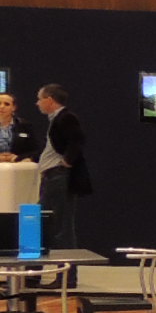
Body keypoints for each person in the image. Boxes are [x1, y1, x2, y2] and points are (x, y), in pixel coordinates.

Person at [36, 84, 92, 249]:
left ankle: (66, 262)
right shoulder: (56, 119)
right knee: (49, 217)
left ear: (49, 100)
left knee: (61, 221)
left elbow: (77, 141)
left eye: (39, 99)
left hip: (59, 175)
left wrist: (66, 162)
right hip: (52, 175)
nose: (37, 103)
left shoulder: (66, 118)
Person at [0, 93, 37, 162]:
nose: (2, 107)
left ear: (14, 108)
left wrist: (18, 157)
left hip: (17, 165)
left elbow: (35, 150)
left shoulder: (25, 126)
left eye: (7, 104)